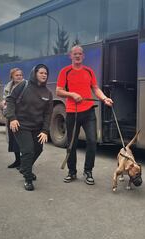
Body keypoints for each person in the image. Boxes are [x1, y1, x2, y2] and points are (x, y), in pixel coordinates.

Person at [56, 45, 113, 185]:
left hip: (88, 112)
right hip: (72, 113)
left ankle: (88, 171)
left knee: (92, 141)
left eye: (80, 54)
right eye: (75, 54)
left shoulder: (89, 71)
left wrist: (105, 98)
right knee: (72, 144)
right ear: (70, 56)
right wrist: (71, 94)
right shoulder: (65, 71)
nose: (77, 56)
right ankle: (72, 172)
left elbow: (95, 88)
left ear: (83, 56)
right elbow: (58, 91)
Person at [5, 64, 53, 191]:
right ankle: (28, 178)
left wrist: (45, 131)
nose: (44, 75)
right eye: (41, 72)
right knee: (28, 150)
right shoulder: (24, 85)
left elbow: (48, 114)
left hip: (37, 127)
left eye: (46, 73)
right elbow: (10, 100)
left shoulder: (48, 93)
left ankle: (24, 167)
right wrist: (12, 118)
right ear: (35, 73)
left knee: (38, 149)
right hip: (21, 125)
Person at [2, 68, 24, 168]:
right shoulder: (8, 86)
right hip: (11, 116)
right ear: (12, 77)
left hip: (22, 116)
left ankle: (24, 162)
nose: (19, 77)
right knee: (13, 139)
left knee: (22, 140)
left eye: (20, 75)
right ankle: (17, 160)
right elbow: (5, 98)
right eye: (17, 75)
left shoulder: (26, 86)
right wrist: (3, 103)